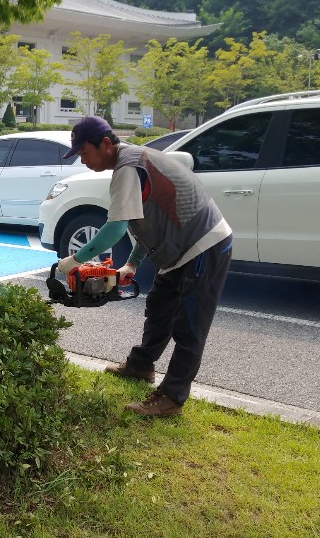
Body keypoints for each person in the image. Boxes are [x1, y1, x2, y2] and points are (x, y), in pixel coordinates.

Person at [57, 116, 233, 417]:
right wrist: (132, 263)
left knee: (190, 325)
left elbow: (115, 228)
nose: (82, 160)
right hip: (178, 247)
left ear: (106, 144)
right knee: (159, 307)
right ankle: (141, 365)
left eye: (85, 152)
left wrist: (74, 260)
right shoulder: (134, 160)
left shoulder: (127, 167)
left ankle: (172, 398)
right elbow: (150, 219)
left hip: (203, 244)